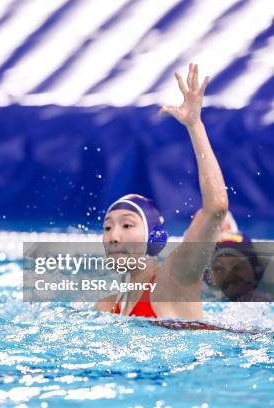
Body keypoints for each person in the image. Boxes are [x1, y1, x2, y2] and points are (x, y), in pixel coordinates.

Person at [95, 63, 228, 320]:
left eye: (127, 225)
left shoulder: (173, 280)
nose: (113, 236)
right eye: (108, 227)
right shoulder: (108, 306)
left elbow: (216, 208)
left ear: (155, 238)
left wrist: (195, 125)